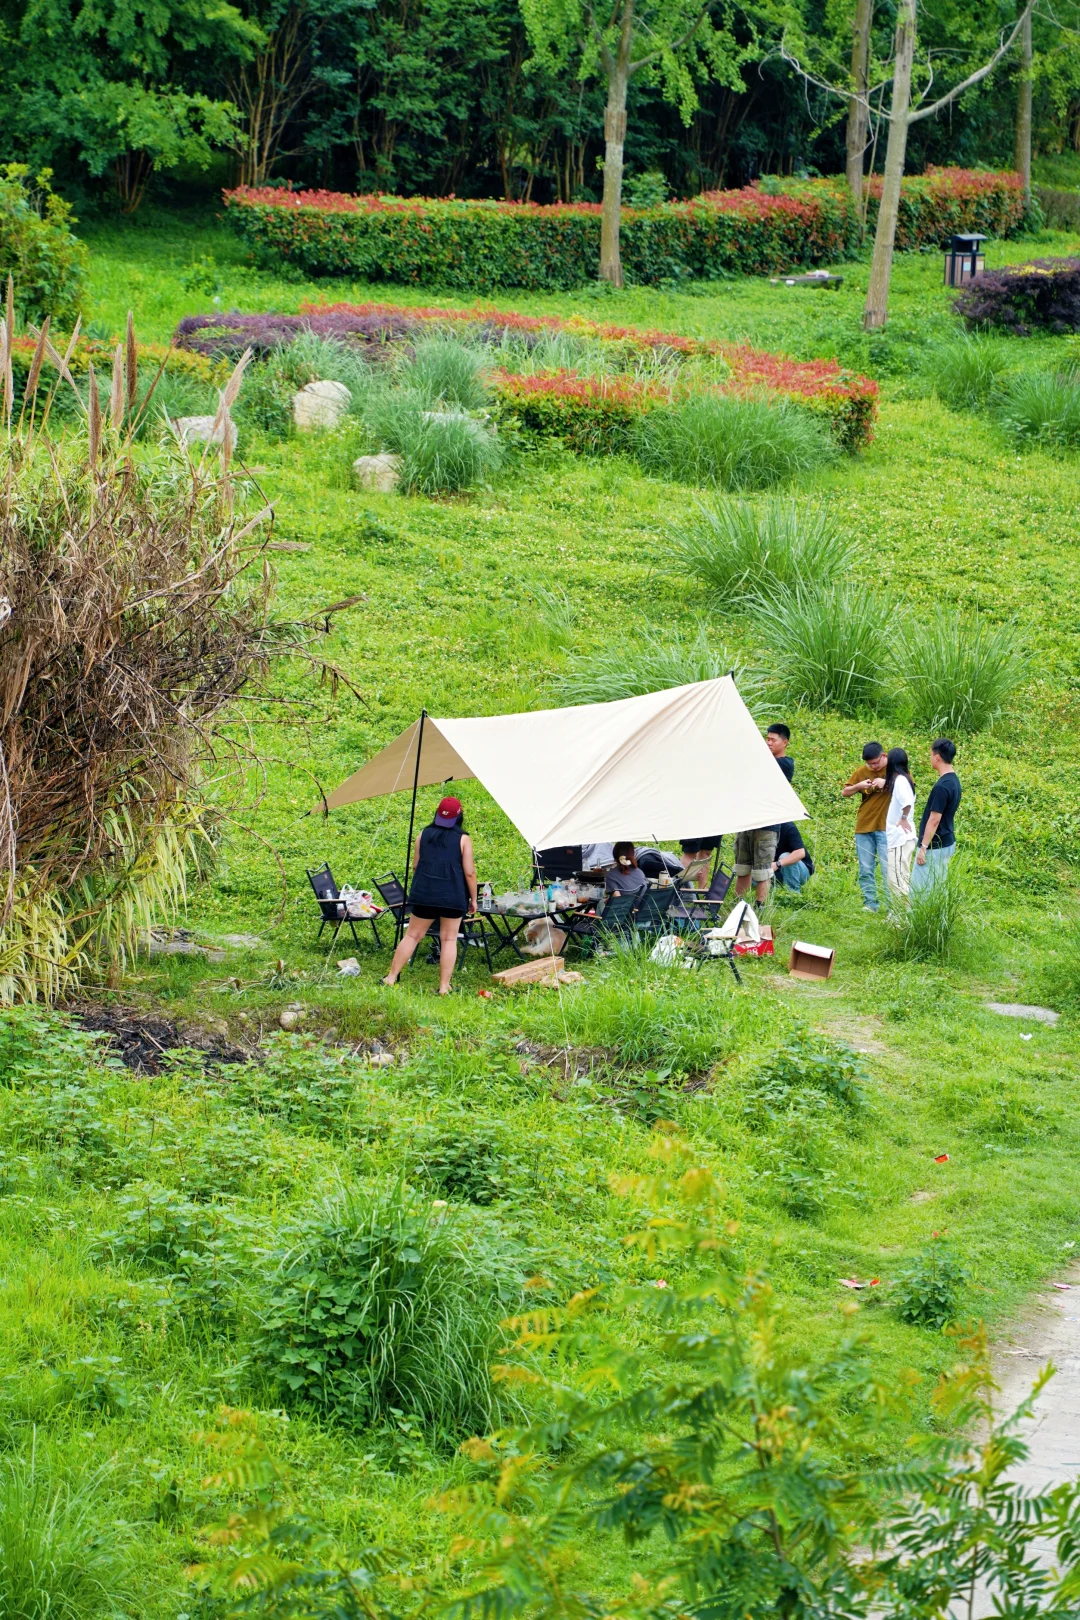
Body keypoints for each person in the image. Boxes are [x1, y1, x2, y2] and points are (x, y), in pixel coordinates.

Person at [381, 796, 477, 994]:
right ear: (459, 817)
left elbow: (416, 866)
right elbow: (469, 872)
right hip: (452, 896)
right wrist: (474, 899)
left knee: (413, 935)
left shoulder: (422, 834)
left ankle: (391, 978)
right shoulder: (463, 839)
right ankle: (444, 987)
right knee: (449, 939)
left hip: (425, 893)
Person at [735, 723, 794, 904]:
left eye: (772, 740)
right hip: (748, 821)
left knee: (762, 870)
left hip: (767, 824)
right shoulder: (762, 761)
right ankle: (739, 904)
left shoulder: (785, 764)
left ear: (785, 743)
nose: (768, 743)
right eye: (766, 739)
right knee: (742, 867)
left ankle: (760, 907)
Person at [842, 741, 890, 914]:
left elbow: (909, 787)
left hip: (886, 827)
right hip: (864, 825)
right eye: (870, 764)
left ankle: (893, 906)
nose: (873, 766)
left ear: (884, 756)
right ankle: (870, 904)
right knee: (866, 868)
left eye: (876, 762)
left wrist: (886, 782)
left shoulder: (895, 768)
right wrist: (858, 786)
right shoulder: (862, 772)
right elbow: (844, 792)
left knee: (888, 869)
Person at [912, 739, 961, 890]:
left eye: (931, 754)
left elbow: (934, 820)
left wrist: (923, 848)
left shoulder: (942, 787)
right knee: (939, 887)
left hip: (935, 846)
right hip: (947, 841)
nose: (930, 758)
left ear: (937, 757)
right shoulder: (954, 781)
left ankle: (918, 915)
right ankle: (940, 915)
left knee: (920, 888)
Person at [883, 747, 917, 897]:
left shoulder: (901, 780)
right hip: (901, 839)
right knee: (900, 877)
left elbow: (907, 803)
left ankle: (900, 917)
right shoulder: (905, 778)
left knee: (896, 880)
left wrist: (903, 818)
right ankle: (899, 915)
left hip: (900, 839)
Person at [771, 822, 812, 892]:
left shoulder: (788, 826)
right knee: (750, 867)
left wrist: (777, 864)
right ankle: (770, 893)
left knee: (785, 856)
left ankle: (793, 894)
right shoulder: (757, 830)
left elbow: (800, 853)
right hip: (775, 872)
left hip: (800, 872)